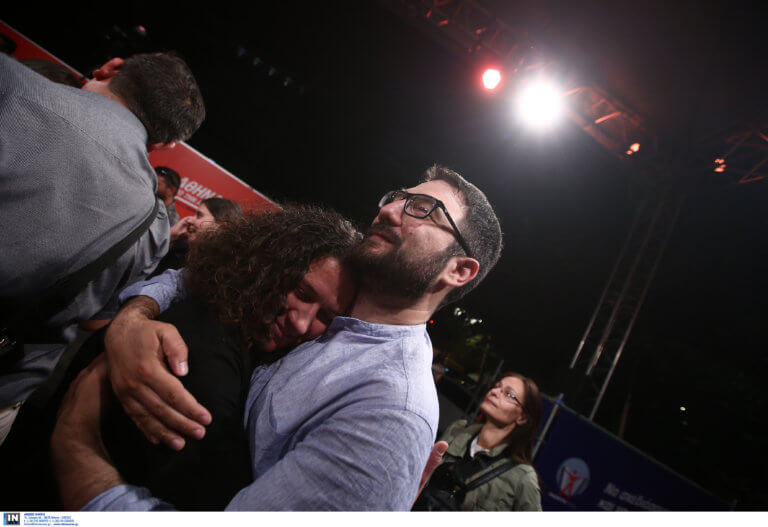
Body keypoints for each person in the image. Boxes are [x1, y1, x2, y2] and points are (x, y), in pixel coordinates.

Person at [52, 165, 504, 511]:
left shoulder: (391, 410)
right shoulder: (348, 301)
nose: (387, 210)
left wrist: (76, 448)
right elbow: (223, 277)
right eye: (398, 198)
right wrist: (134, 317)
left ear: (458, 269)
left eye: (422, 210)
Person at [0, 50, 205, 445]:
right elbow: (94, 320)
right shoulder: (152, 225)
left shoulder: (9, 84)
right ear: (165, 141)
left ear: (110, 67)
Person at [415, 371, 543, 511]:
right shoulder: (457, 431)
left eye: (508, 394)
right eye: (496, 386)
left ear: (522, 418)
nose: (494, 392)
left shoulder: (522, 477)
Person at [153, 197, 243, 276]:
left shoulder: (221, 273)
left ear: (221, 227)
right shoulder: (180, 248)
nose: (189, 219)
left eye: (199, 215)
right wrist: (171, 235)